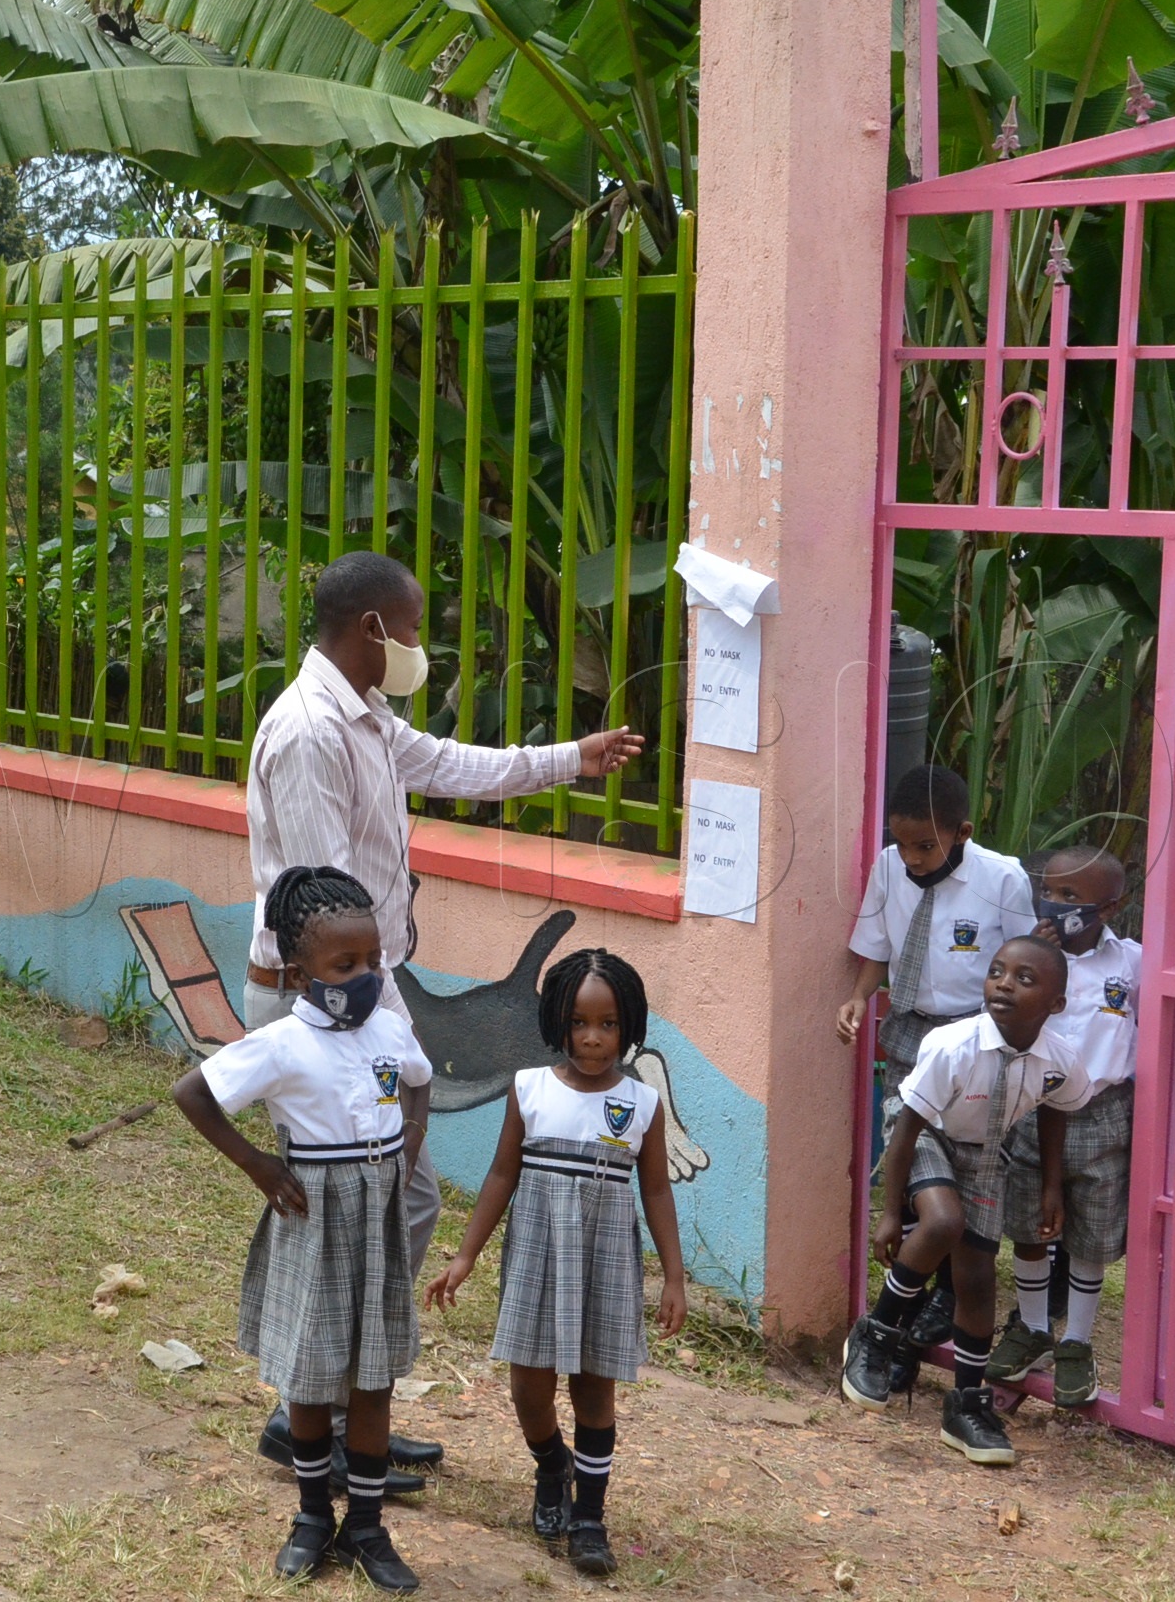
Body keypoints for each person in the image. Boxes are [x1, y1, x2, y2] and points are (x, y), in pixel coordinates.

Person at [244, 549, 644, 1489]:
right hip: (327, 1010)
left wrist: (569, 761)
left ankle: (337, 1406)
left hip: (367, 1005)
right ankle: (314, 1415)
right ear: (372, 630)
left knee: (397, 1200)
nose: (423, 646)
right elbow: (319, 910)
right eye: (414, 628)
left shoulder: (368, 717)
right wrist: (369, 1028)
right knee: (360, 1207)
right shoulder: (307, 734)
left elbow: (454, 765)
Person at [174, 866, 431, 1592]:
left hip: (376, 1218)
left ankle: (369, 1528)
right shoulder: (281, 1044)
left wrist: (409, 1141)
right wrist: (258, 1164)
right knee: (315, 1381)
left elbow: (419, 1079)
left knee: (374, 1379)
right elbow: (192, 1092)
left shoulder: (388, 1024)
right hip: (315, 1218)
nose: (365, 976)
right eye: (345, 966)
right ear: (298, 974)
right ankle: (314, 1516)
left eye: (373, 961)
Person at [424, 949, 689, 1577]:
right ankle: (551, 1465)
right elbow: (500, 1173)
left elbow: (654, 1190)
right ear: (555, 1022)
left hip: (605, 1266)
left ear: (629, 1028)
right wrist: (466, 1255)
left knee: (594, 1390)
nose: (593, 1038)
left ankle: (590, 1519)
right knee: (530, 1389)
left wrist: (673, 1276)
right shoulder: (530, 1088)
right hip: (538, 1258)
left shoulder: (640, 1104)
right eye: (578, 1022)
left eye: (608, 1025)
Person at [841, 936, 1080, 1466]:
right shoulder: (956, 1045)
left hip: (984, 1153)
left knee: (976, 1279)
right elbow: (905, 1128)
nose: (1004, 983)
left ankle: (966, 1407)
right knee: (944, 1222)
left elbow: (1057, 1107)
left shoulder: (1059, 1059)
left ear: (1055, 1004)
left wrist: (1051, 1186)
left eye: (1024, 978)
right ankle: (875, 1336)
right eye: (997, 972)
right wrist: (888, 1211)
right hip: (924, 1134)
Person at [836, 764, 1035, 1351]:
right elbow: (876, 949)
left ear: (963, 833)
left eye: (925, 845)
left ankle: (948, 1294)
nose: (912, 857)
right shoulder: (888, 868)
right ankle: (920, 1293)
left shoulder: (1002, 879)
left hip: (976, 1040)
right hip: (908, 1035)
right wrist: (857, 997)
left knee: (966, 1164)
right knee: (915, 1165)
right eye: (902, 844)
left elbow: (1023, 961)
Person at [987, 847, 1139, 1407]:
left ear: (1111, 905)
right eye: (1050, 889)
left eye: (1073, 896)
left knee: (1090, 1233)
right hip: (1032, 1104)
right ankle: (1031, 1327)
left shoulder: (1130, 963)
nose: (1057, 903)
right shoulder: (1026, 957)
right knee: (1029, 1221)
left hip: (1102, 1113)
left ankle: (1075, 1341)